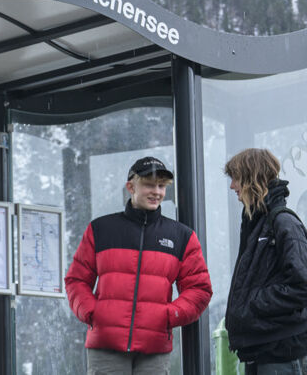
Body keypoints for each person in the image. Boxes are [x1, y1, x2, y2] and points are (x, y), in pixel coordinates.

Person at [65, 156, 213, 375]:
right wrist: (93, 312)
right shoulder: (101, 229)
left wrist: (169, 316)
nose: (157, 192)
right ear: (131, 187)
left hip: (154, 348)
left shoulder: (182, 236)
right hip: (106, 346)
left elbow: (199, 289)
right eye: (149, 184)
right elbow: (76, 280)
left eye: (161, 186)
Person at [223, 148, 307, 374]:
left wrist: (253, 302)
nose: (232, 186)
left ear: (251, 178)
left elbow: (304, 286)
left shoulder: (284, 223)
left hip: (284, 350)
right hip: (262, 348)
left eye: (236, 178)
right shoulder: (256, 224)